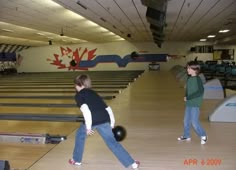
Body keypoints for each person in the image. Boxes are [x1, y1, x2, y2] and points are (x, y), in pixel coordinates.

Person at [69, 74, 140, 169]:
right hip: (105, 118)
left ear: (80, 84)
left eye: (75, 85)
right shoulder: (93, 93)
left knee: (80, 135)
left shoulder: (79, 95)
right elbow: (108, 108)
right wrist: (112, 123)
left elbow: (86, 110)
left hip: (92, 119)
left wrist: (89, 127)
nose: (75, 87)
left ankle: (76, 160)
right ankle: (132, 163)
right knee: (112, 142)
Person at [177, 61, 208, 145]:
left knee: (194, 122)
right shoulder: (189, 78)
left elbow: (200, 91)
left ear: (195, 70)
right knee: (186, 121)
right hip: (189, 103)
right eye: (187, 68)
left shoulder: (198, 79)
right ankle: (187, 135)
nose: (187, 70)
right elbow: (188, 90)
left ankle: (203, 135)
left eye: (189, 68)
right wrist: (186, 96)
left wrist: (189, 97)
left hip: (195, 103)